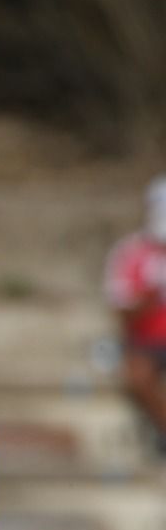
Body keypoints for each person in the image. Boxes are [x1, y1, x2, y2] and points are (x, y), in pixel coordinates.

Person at [104, 175, 166, 451]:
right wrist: (147, 300)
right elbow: (121, 310)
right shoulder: (131, 252)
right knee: (138, 376)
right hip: (146, 344)